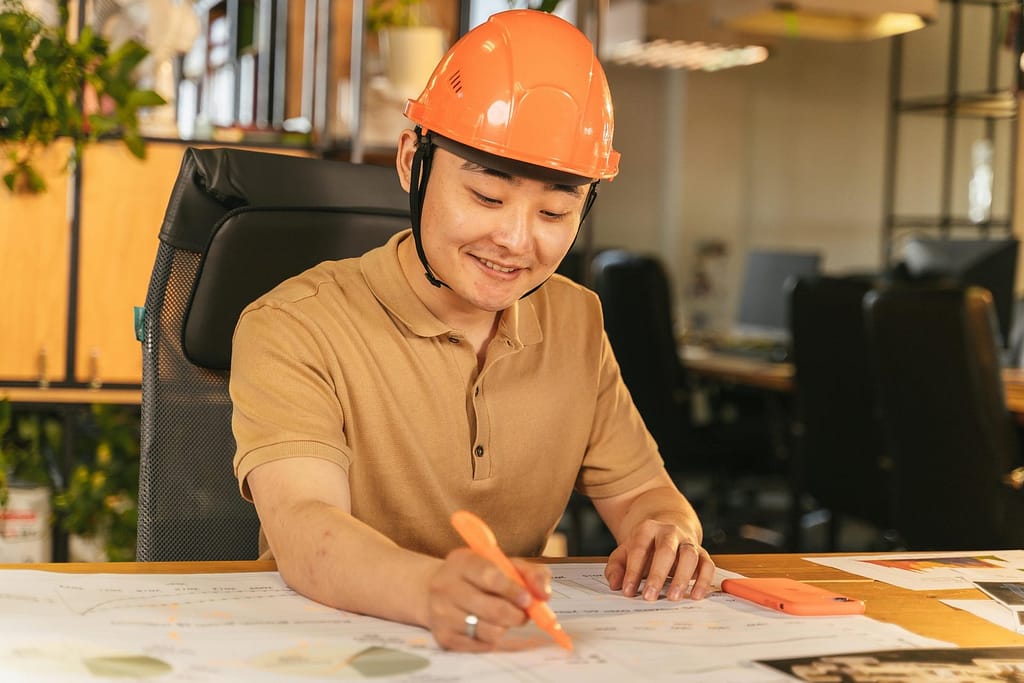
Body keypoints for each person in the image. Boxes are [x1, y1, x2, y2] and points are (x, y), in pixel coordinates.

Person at [229, 8, 715, 653]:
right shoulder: (293, 323)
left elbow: (645, 493)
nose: (515, 240)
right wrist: (433, 590)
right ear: (412, 163)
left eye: (554, 210)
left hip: (500, 653)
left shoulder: (575, 319)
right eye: (487, 198)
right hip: (326, 648)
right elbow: (304, 527)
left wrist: (667, 534)